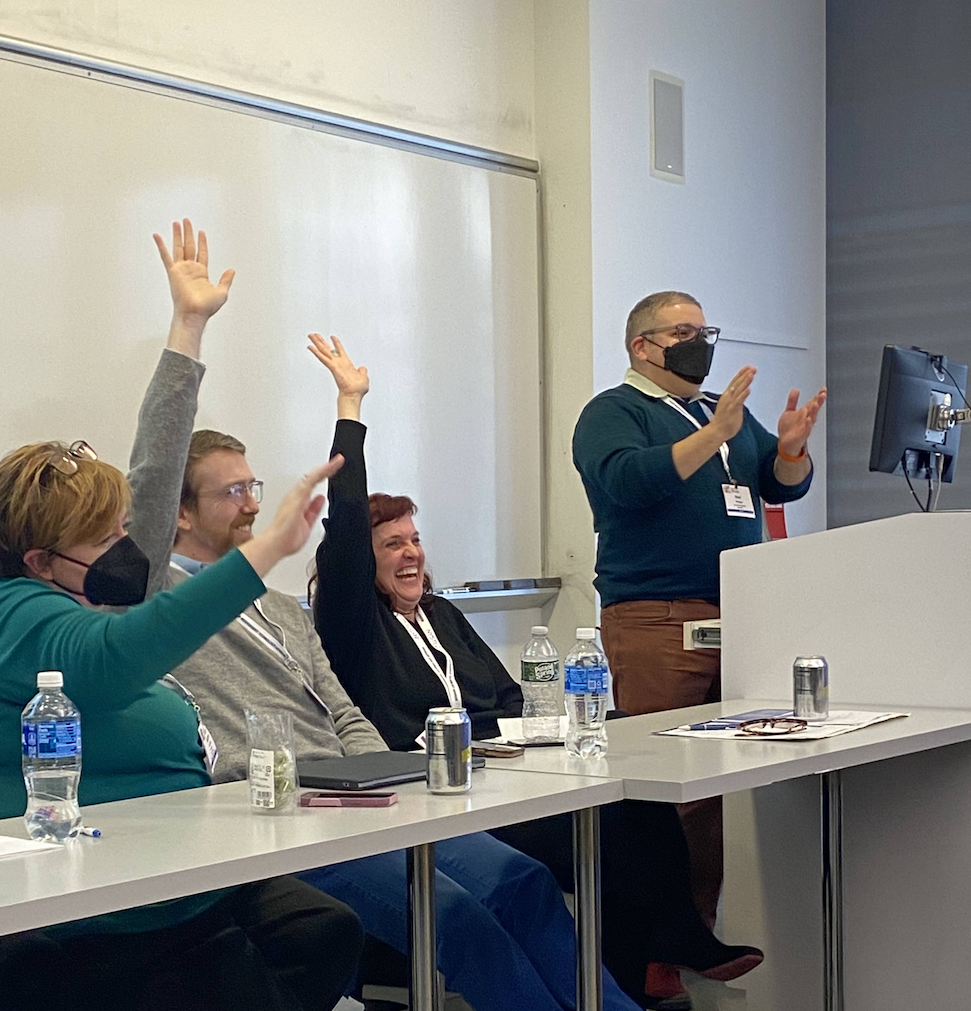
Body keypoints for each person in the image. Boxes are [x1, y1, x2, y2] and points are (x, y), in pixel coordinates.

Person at [126, 220, 644, 1011]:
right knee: (461, 919)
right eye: (234, 492)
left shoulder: (278, 608)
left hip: (357, 801)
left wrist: (386, 789)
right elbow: (151, 477)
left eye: (255, 485)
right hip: (270, 820)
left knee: (524, 880)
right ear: (181, 518)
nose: (255, 503)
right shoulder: (156, 599)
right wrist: (189, 327)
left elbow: (340, 709)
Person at [308, 333, 765, 1011]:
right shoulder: (352, 627)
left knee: (636, 810)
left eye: (415, 539)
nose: (409, 554)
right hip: (434, 795)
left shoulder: (441, 613)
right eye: (391, 545)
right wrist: (351, 407)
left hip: (502, 777)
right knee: (595, 844)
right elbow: (345, 528)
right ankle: (643, 967)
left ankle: (654, 961)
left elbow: (507, 696)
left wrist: (602, 725)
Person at [0, 227, 360, 1011]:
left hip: (197, 860)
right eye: (107, 538)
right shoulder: (21, 617)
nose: (133, 548)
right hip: (95, 898)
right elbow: (116, 654)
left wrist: (188, 328)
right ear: (38, 559)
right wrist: (262, 554)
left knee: (321, 931)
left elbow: (154, 475)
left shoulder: (96, 585)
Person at [571, 289, 827, 925]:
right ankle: (655, 952)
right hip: (657, 620)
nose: (699, 343)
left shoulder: (721, 410)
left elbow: (778, 483)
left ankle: (697, 934)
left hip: (739, 615)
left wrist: (791, 449)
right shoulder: (614, 411)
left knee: (712, 791)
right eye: (682, 332)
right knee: (667, 790)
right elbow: (630, 482)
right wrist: (716, 433)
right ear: (642, 347)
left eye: (704, 330)